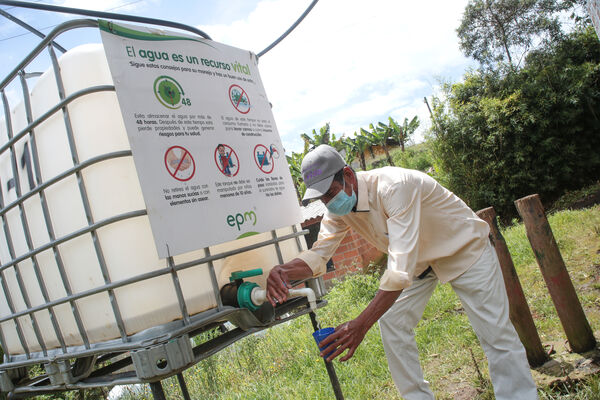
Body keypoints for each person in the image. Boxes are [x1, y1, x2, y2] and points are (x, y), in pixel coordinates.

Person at [266, 144, 538, 400]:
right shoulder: (338, 209)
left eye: (329, 193)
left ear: (348, 174)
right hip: (419, 263)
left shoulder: (394, 186)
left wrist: (361, 323)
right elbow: (319, 254)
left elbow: (398, 271)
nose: (328, 202)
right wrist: (284, 270)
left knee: (496, 336)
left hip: (461, 248)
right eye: (322, 197)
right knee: (393, 322)